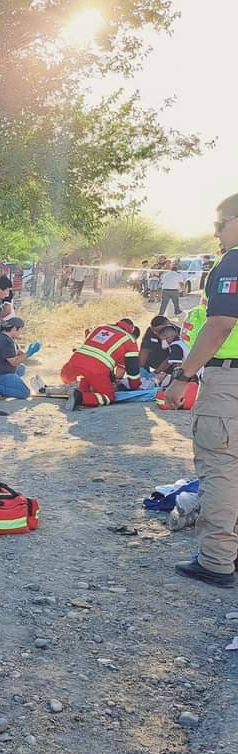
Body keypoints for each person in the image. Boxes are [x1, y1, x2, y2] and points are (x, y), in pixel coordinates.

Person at [169, 193, 238, 588]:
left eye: (220, 223)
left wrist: (184, 376)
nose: (215, 232)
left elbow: (220, 325)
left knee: (221, 471)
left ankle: (216, 559)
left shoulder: (233, 262)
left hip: (228, 382)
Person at [60, 318, 142, 411]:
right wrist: (135, 386)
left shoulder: (101, 328)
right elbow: (133, 370)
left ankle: (70, 388)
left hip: (71, 365)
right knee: (108, 396)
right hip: (96, 369)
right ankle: (79, 397)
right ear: (131, 328)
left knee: (84, 383)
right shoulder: (129, 339)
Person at [0, 317, 39, 400]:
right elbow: (14, 362)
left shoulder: (8, 337)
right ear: (14, 328)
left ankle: (10, 384)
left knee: (21, 368)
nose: (21, 332)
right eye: (20, 330)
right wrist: (29, 353)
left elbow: (18, 353)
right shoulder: (5, 342)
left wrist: (30, 353)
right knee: (25, 393)